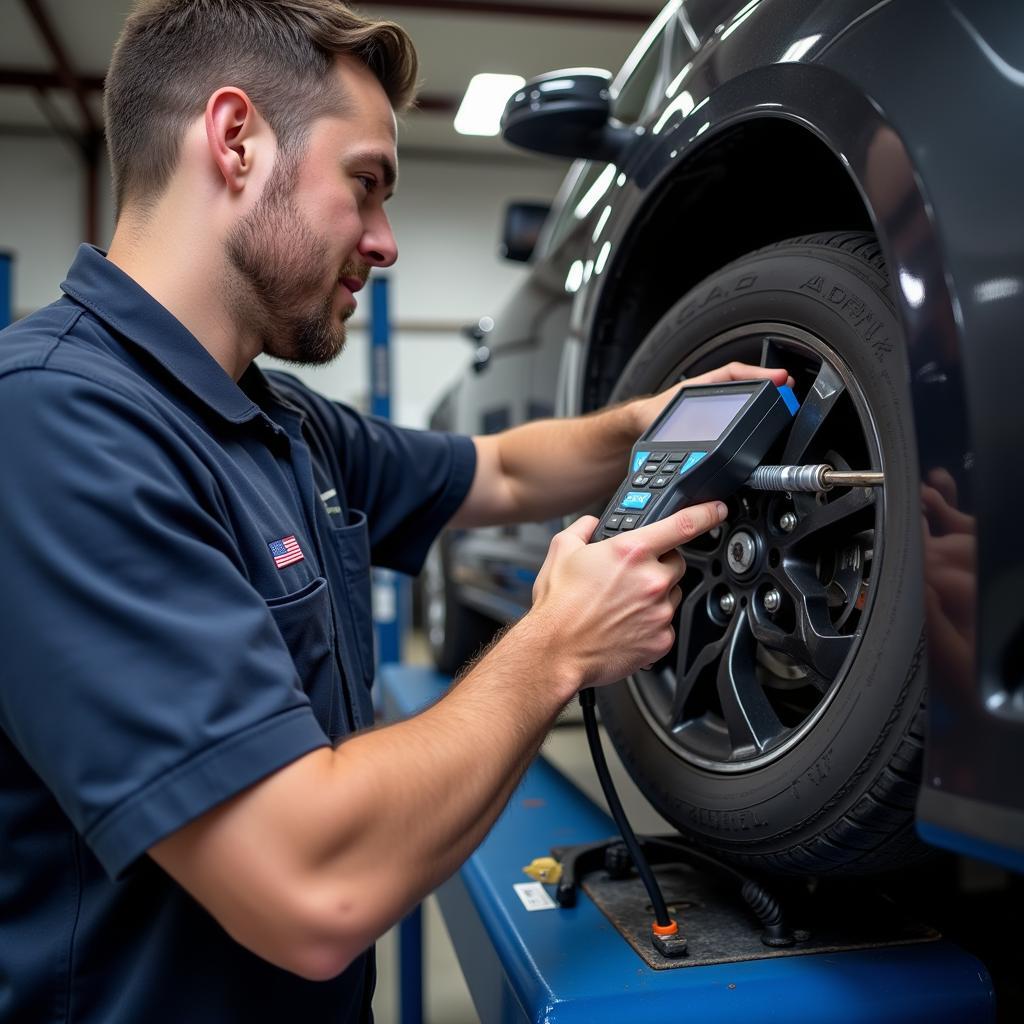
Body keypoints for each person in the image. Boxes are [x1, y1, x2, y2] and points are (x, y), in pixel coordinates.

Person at [0, 1, 790, 1020]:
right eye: (364, 185)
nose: (384, 243)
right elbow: (311, 888)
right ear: (235, 140)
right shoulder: (53, 425)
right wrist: (554, 645)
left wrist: (660, 418)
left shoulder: (280, 421)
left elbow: (500, 472)